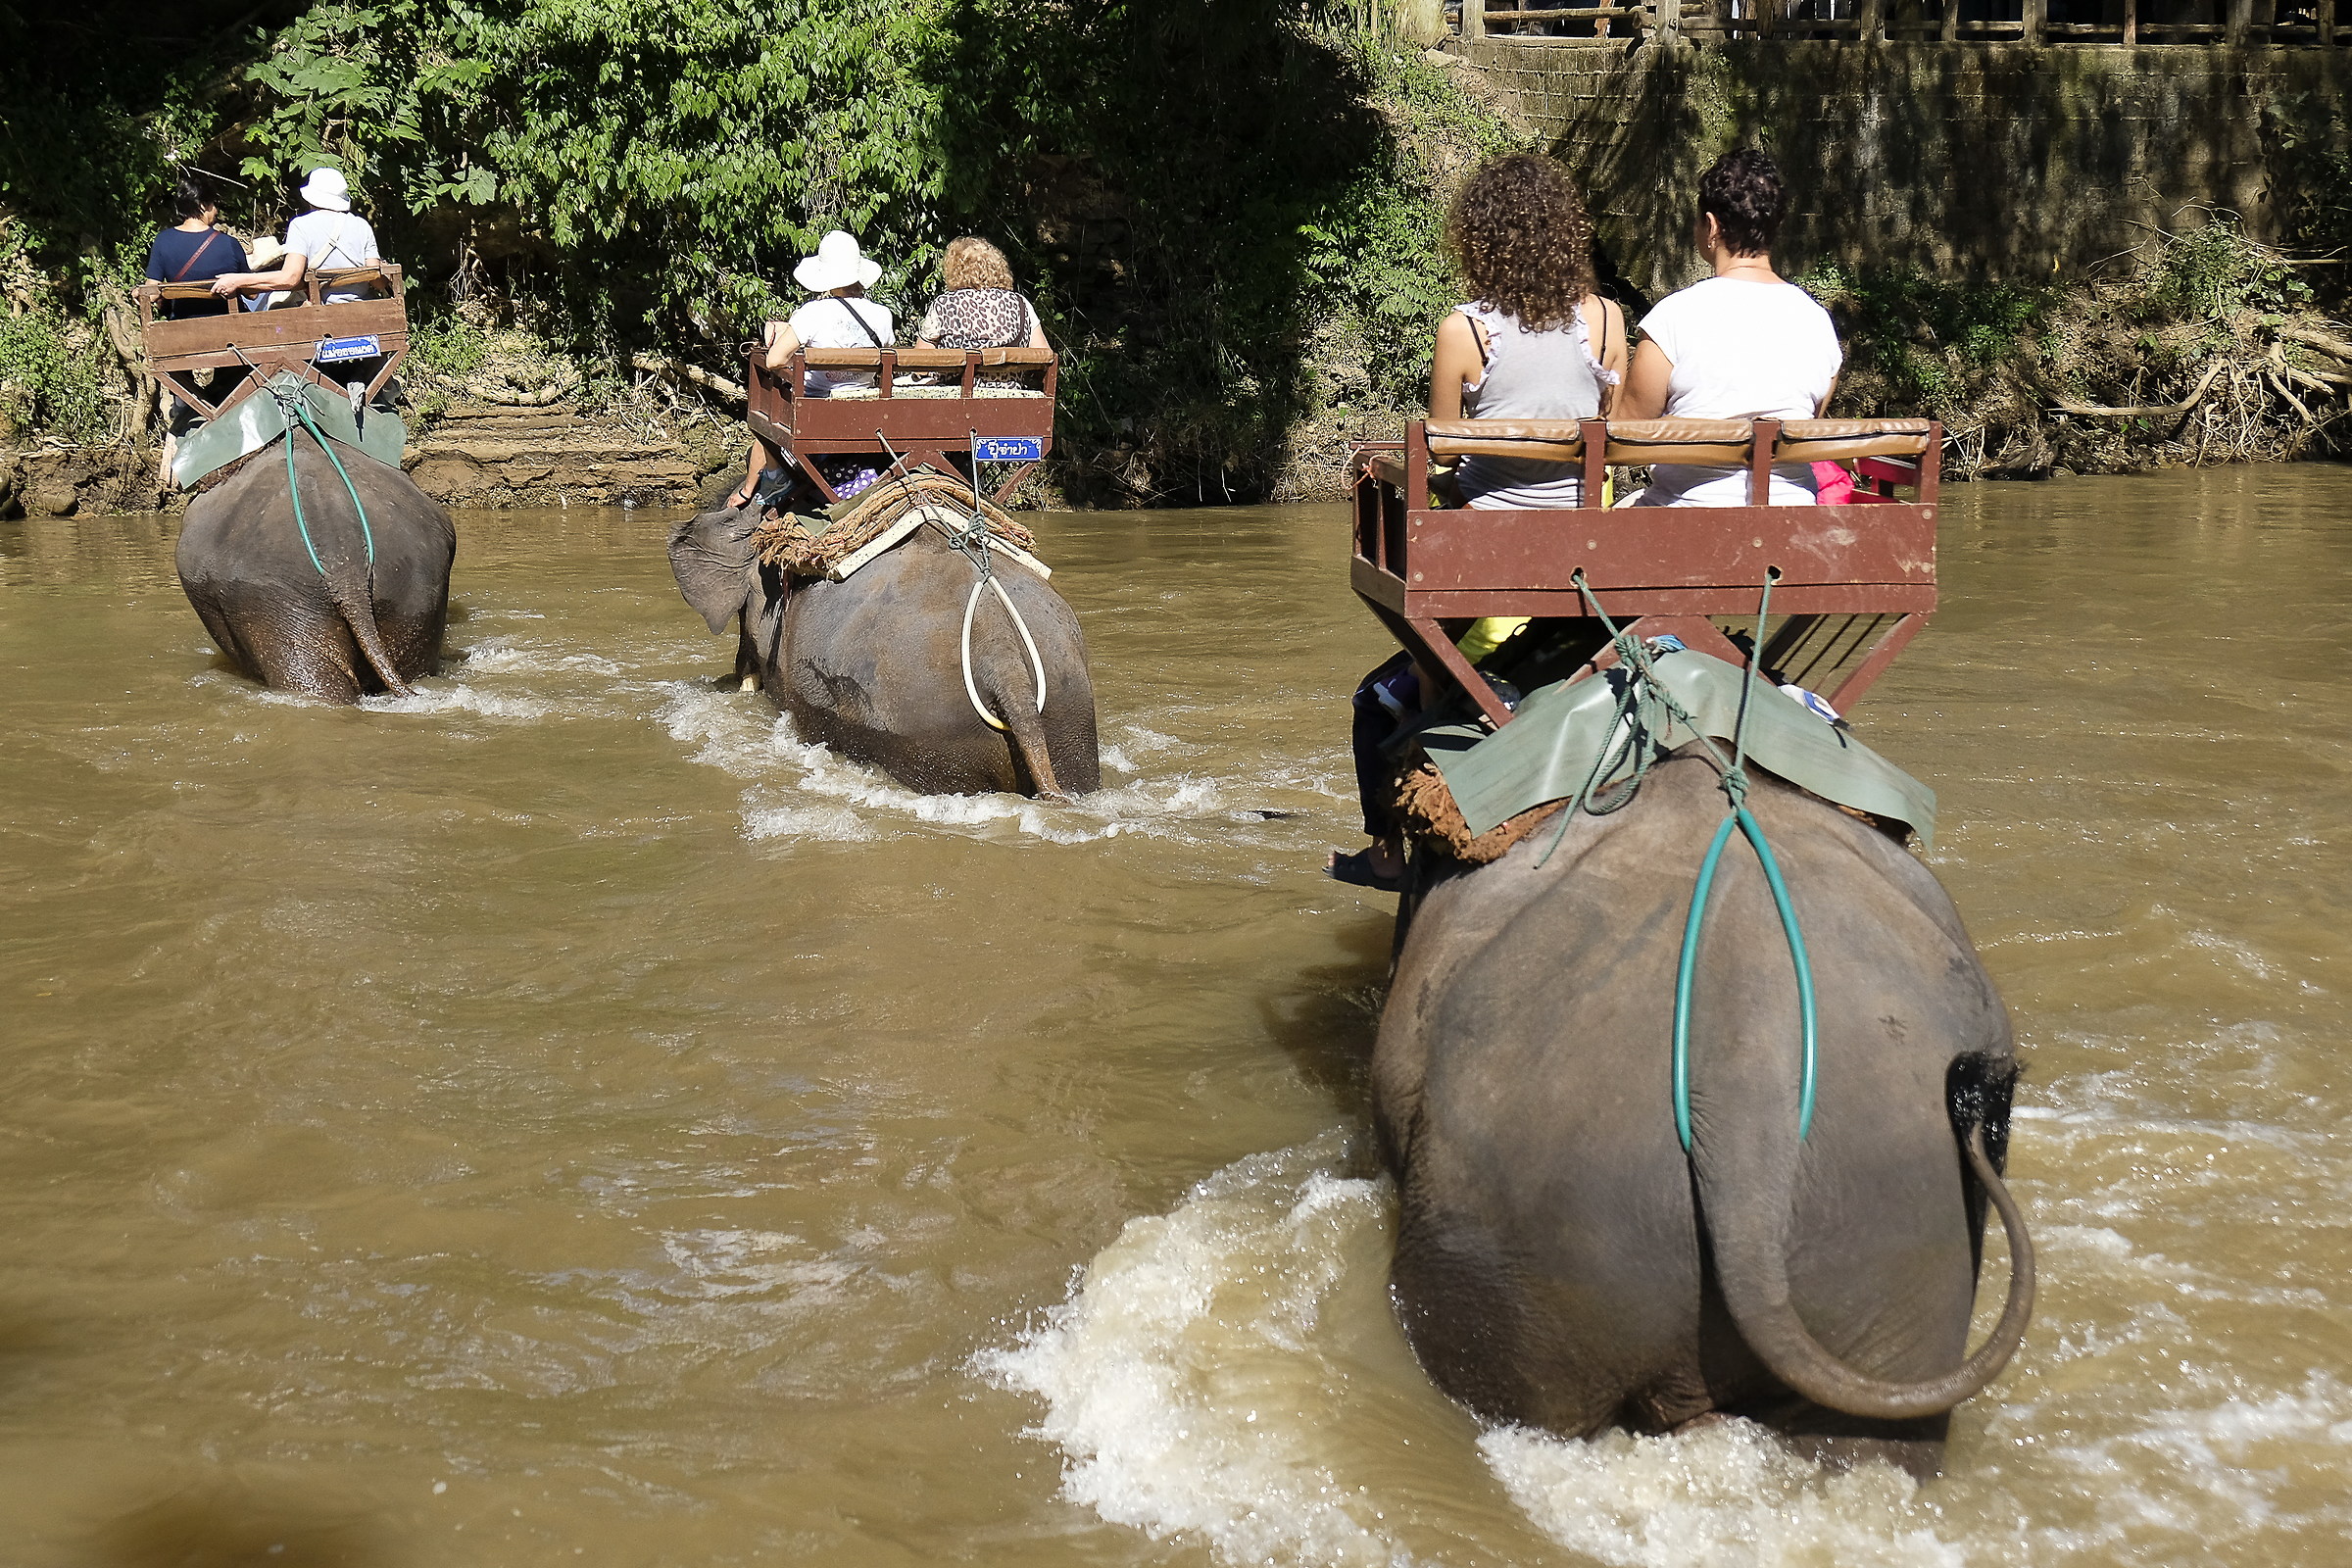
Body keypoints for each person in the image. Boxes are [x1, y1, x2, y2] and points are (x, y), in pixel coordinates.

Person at [1326, 153, 1625, 894]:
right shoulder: (1609, 320)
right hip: (1589, 552)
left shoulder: (1465, 329)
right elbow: (1611, 437)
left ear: (1480, 239)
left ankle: (1398, 849)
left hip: (1490, 555)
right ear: (1565, 235)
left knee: (1382, 693)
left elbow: (1438, 455)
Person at [1614, 149, 1842, 506]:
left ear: (1712, 226)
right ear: (1774, 228)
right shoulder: (1818, 322)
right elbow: (1807, 420)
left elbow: (1623, 436)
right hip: (1793, 516)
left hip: (1685, 517)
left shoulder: (1674, 316)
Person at [729, 230, 898, 512]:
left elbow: (773, 360)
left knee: (767, 415)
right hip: (866, 413)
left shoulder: (812, 314)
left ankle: (764, 488)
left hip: (815, 412)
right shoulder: (882, 315)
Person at [208, 168, 382, 308]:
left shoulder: (301, 225)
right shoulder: (361, 225)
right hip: (363, 309)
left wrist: (237, 279)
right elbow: (377, 280)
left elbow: (290, 277)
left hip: (323, 310)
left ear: (310, 198)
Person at [913, 236, 1049, 354]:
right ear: (998, 266)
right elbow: (1043, 353)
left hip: (956, 383)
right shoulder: (1020, 303)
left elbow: (920, 361)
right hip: (1008, 384)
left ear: (954, 270)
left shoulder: (944, 304)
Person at [145, 174, 248, 319]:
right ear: (203, 205)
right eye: (213, 204)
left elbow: (152, 292)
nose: (216, 211)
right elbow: (252, 293)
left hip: (181, 326)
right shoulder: (229, 243)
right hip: (229, 326)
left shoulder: (162, 240)